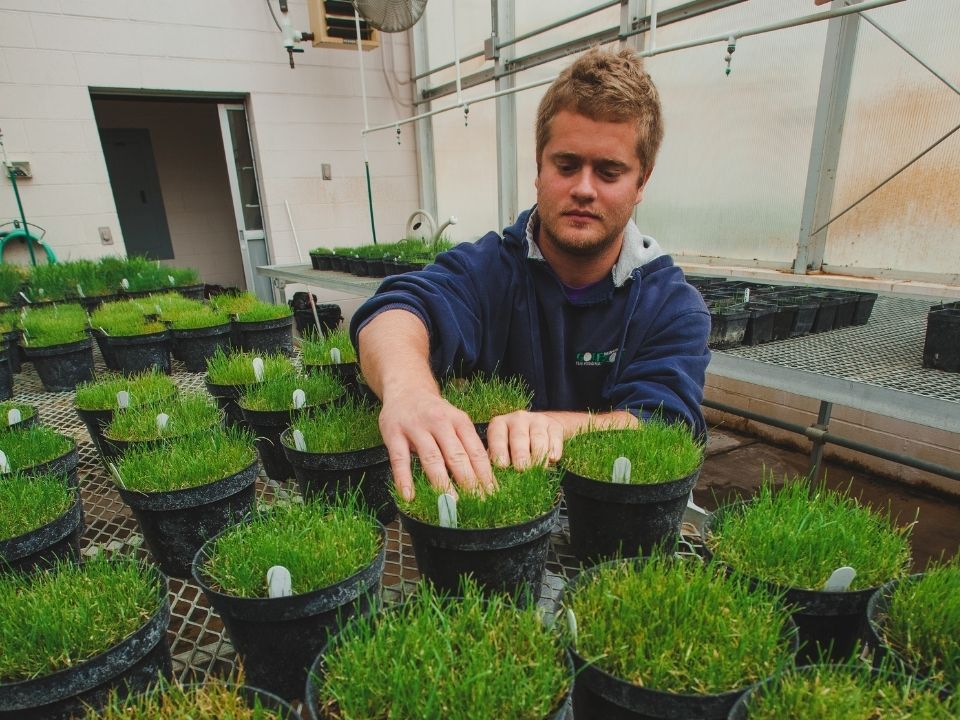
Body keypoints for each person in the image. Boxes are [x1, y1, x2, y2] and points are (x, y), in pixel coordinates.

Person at [350, 47, 710, 501]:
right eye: (566, 165)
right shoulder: (491, 269)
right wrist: (409, 393)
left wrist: (552, 427)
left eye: (609, 172)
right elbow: (398, 309)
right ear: (538, 168)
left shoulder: (671, 306)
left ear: (642, 183)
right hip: (491, 507)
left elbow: (667, 420)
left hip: (613, 528)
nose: (583, 188)